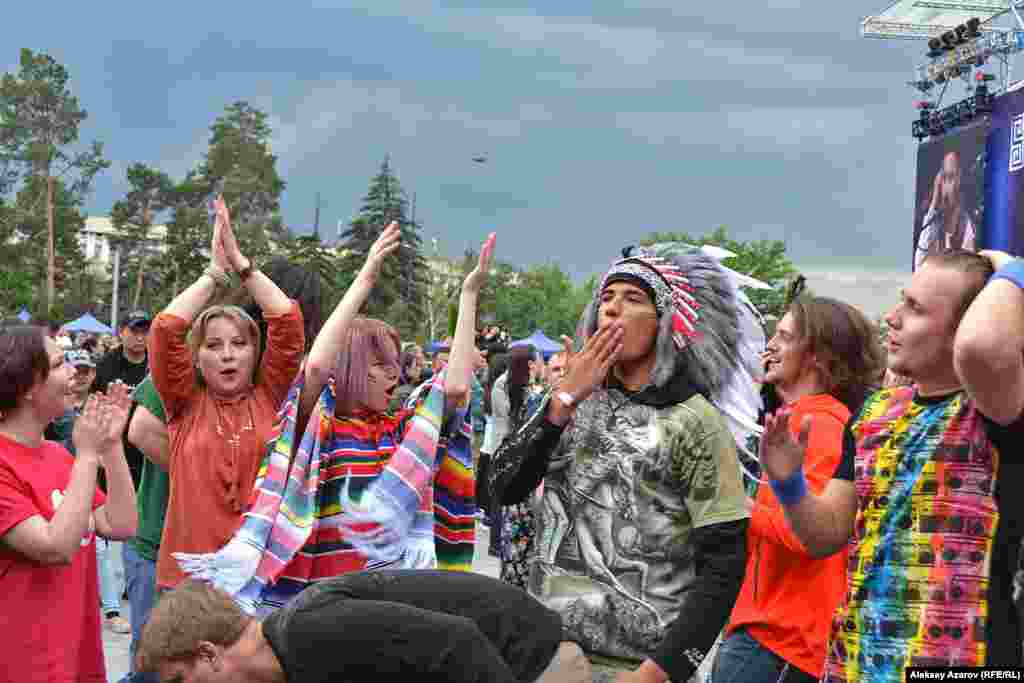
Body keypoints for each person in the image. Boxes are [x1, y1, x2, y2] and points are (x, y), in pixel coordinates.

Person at [174, 224, 492, 615]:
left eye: (395, 364)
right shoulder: (318, 428)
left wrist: (468, 294)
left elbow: (456, 387)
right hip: (320, 609)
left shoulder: (403, 432)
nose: (395, 374)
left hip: (388, 608)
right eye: (380, 364)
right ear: (352, 366)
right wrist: (365, 278)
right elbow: (317, 367)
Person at [490, 243, 764, 683]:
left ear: (664, 322)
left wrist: (661, 671)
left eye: (633, 299)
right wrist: (559, 406)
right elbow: (501, 490)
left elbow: (725, 563)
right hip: (549, 660)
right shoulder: (565, 401)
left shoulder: (693, 419)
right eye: (607, 298)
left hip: (640, 668)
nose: (613, 309)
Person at [759, 249, 1024, 681]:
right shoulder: (874, 413)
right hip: (857, 665)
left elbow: (984, 347)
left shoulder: (994, 411)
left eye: (916, 309)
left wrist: (1012, 266)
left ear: (960, 329)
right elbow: (825, 535)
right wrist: (789, 483)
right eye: (903, 300)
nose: (892, 318)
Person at [712, 297, 884, 683]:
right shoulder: (803, 418)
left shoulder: (821, 424)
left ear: (818, 357)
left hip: (781, 643)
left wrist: (736, 506)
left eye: (784, 336)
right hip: (766, 638)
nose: (770, 344)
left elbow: (810, 535)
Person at [147, 195, 305, 593]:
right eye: (213, 345)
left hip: (258, 579)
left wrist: (242, 265)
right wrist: (214, 277)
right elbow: (165, 330)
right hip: (188, 581)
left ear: (255, 351)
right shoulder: (183, 404)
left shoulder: (271, 396)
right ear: (196, 358)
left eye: (239, 343)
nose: (228, 354)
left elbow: (286, 321)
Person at [136, 570, 591, 683]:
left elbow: (460, 642)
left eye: (181, 681)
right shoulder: (286, 662)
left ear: (208, 654)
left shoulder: (310, 632)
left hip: (534, 661)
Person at [0, 325, 138, 682]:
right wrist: (89, 456)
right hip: (22, 663)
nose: (74, 372)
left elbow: (121, 524)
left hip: (77, 654)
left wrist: (110, 446)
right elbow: (55, 547)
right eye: (61, 363)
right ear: (29, 386)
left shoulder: (58, 456)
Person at [496, 344, 546, 588]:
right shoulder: (536, 399)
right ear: (531, 365)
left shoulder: (508, 390)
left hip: (511, 478)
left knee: (512, 552)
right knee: (526, 552)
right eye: (541, 360)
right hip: (527, 481)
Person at [915, 150, 977, 269]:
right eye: (945, 178)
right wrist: (934, 201)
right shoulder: (933, 223)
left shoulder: (968, 227)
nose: (950, 186)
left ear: (961, 182)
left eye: (952, 177)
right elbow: (918, 266)